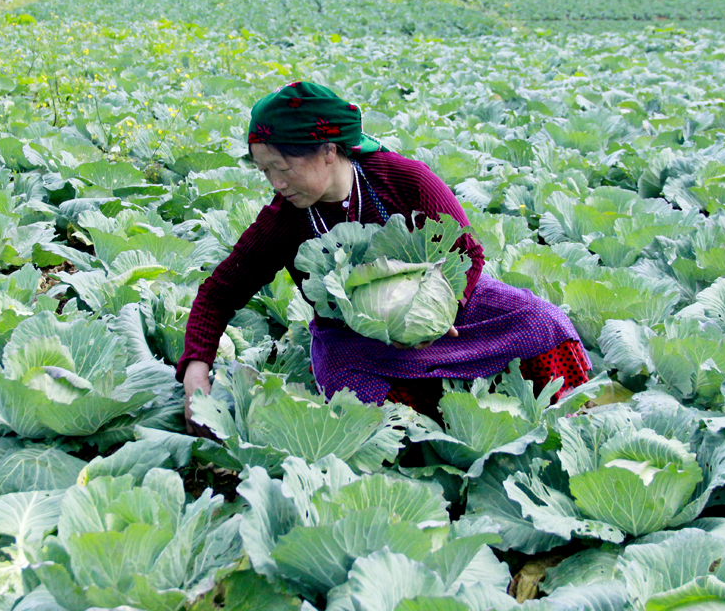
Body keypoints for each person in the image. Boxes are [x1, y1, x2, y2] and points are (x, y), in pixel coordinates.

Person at [179, 81, 590, 431]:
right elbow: (218, 294)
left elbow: (467, 252)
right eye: (264, 171)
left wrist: (440, 308)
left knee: (541, 322)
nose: (275, 182)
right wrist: (195, 368)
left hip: (446, 315)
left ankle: (569, 409)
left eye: (282, 168)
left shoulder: (403, 180)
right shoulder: (284, 220)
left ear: (327, 150)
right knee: (355, 396)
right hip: (354, 338)